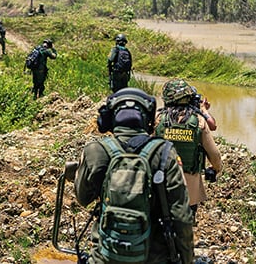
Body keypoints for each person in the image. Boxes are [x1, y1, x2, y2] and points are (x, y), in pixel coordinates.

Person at [74, 88, 194, 264]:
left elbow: (83, 198)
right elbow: (181, 216)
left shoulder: (95, 150)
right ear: (148, 120)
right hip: (153, 258)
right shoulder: (165, 153)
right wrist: (187, 258)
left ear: (110, 118)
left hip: (105, 255)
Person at [155, 79, 222, 217]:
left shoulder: (157, 119)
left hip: (160, 184)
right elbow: (214, 155)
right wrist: (215, 169)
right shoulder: (198, 121)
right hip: (189, 190)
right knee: (186, 227)